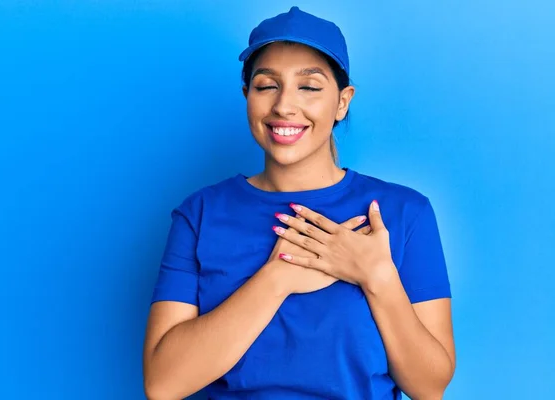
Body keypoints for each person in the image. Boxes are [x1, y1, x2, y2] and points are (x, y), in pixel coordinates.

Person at [143, 6, 455, 400]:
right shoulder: (200, 214)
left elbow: (430, 387)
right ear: (247, 96)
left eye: (308, 87)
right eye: (266, 85)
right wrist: (277, 279)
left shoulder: (406, 213)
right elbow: (162, 384)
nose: (284, 106)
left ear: (342, 102)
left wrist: (378, 276)